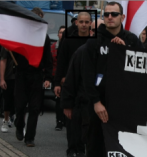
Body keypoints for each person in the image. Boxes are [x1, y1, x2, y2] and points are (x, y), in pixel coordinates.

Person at [81, 2, 143, 156]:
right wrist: (96, 102)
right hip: (99, 106)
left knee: (121, 149)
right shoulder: (93, 42)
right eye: (106, 14)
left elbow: (141, 71)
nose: (110, 17)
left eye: (114, 14)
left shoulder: (132, 40)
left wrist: (124, 51)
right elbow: (87, 75)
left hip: (124, 106)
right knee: (96, 147)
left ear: (122, 17)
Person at [60, 19, 104, 157]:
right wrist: (67, 104)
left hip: (100, 105)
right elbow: (71, 78)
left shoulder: (108, 51)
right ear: (91, 32)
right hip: (82, 103)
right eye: (96, 31)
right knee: (77, 141)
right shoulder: (82, 52)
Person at [14, 7, 53, 147]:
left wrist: (48, 77)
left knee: (35, 108)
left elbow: (48, 59)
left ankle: (30, 137)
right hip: (21, 75)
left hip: (37, 76)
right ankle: (19, 125)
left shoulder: (45, 37)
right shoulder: (21, 35)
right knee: (19, 106)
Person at [54, 12, 91, 157]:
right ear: (76, 23)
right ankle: (71, 149)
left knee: (84, 119)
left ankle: (81, 149)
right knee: (71, 119)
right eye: (80, 22)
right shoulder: (68, 39)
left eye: (86, 22)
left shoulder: (93, 41)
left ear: (90, 24)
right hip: (70, 82)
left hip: (86, 85)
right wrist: (57, 82)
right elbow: (61, 61)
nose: (83, 25)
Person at [51, 25, 65, 130]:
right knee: (58, 99)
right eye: (61, 32)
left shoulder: (68, 46)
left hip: (67, 77)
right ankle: (59, 121)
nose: (62, 35)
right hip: (55, 76)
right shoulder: (53, 47)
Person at [0, 47, 15, 133]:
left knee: (22, 101)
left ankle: (21, 125)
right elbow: (3, 60)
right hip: (9, 76)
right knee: (7, 99)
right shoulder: (7, 43)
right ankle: (6, 119)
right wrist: (2, 79)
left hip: (21, 77)